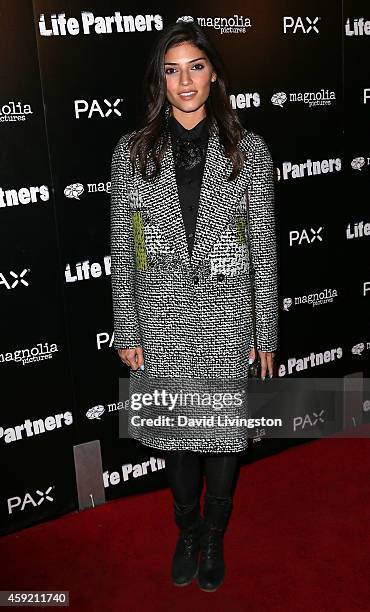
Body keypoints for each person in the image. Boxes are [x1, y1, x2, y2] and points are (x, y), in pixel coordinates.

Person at [110, 17, 278, 592]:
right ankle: (187, 525)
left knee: (223, 440)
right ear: (161, 80)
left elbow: (264, 250)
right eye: (172, 69)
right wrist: (126, 326)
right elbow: (126, 248)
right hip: (160, 318)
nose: (185, 81)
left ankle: (214, 535)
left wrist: (266, 333)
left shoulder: (248, 151)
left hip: (228, 318)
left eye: (196, 67)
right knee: (178, 442)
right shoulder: (131, 154)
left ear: (213, 76)